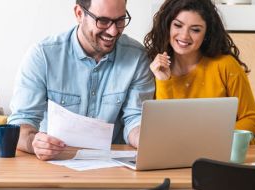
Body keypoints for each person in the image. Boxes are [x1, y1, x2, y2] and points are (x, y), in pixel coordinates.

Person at [8, 0, 154, 160]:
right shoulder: (43, 56)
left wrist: (146, 139)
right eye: (103, 21)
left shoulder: (137, 57)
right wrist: (33, 143)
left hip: (113, 168)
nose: (113, 31)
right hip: (54, 164)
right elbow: (20, 122)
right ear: (79, 14)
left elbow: (135, 118)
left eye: (120, 20)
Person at [144, 0, 255, 144]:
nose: (184, 36)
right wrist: (163, 81)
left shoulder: (226, 66)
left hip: (228, 155)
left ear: (206, 33)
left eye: (195, 29)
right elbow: (166, 129)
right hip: (179, 154)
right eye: (178, 25)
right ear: (167, 25)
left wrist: (211, 139)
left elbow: (252, 120)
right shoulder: (153, 68)